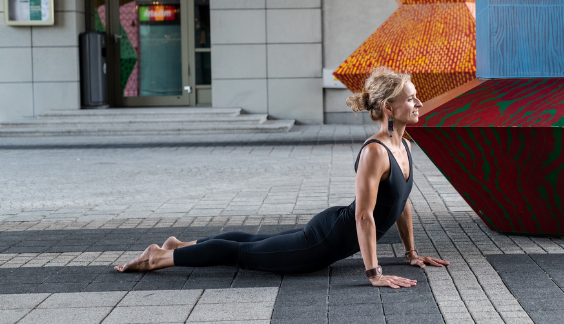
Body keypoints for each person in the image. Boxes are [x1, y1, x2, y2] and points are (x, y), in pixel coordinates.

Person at [115, 67, 449, 288]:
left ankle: (178, 245)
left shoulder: (403, 144)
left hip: (332, 227)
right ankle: (158, 257)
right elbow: (364, 216)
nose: (419, 102)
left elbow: (400, 201)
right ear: (389, 108)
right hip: (320, 245)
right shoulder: (375, 151)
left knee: (253, 241)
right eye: (411, 98)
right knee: (242, 254)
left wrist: (411, 253)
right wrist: (374, 273)